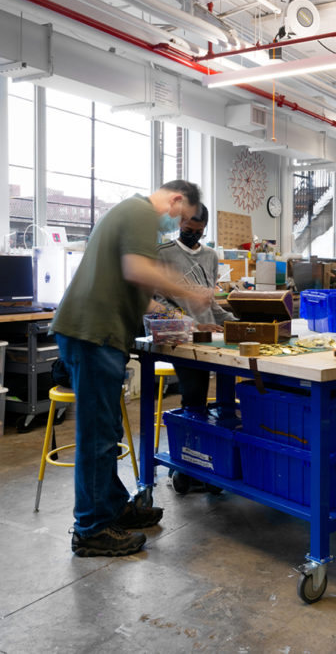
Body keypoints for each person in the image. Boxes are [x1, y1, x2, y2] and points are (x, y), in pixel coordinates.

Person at [52, 181, 214, 557]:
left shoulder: (131, 216)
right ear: (175, 200)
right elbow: (138, 270)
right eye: (182, 217)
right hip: (93, 335)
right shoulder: (142, 212)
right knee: (97, 436)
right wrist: (190, 291)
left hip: (97, 335)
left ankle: (111, 508)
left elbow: (142, 299)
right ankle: (91, 529)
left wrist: (183, 318)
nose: (179, 226)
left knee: (106, 429)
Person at [155, 203, 236, 409]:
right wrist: (192, 324)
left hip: (209, 338)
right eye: (188, 230)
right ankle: (190, 437)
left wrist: (236, 323)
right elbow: (158, 303)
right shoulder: (162, 254)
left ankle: (216, 432)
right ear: (179, 223)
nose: (193, 235)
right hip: (178, 337)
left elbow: (210, 304)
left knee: (229, 383)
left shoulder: (210, 256)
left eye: (199, 232)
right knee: (194, 393)